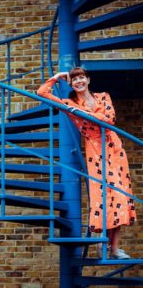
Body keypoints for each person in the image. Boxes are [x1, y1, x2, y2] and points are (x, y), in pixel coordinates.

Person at [37, 67, 136, 259]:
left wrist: (82, 113)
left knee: (121, 196)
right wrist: (57, 77)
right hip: (95, 152)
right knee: (106, 196)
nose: (79, 81)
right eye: (74, 80)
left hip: (114, 148)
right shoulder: (68, 104)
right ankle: (103, 244)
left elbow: (109, 119)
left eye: (82, 77)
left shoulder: (103, 97)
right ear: (71, 84)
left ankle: (114, 248)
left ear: (88, 80)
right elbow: (42, 93)